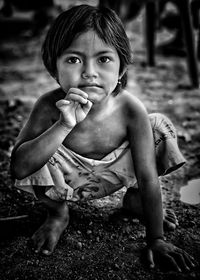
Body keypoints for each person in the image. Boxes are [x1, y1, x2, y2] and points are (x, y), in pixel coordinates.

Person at [10, 4, 195, 272]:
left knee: (158, 127)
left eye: (104, 59)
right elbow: (19, 167)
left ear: (121, 69)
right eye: (73, 59)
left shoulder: (130, 110)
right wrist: (63, 126)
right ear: (54, 69)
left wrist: (156, 239)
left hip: (117, 173)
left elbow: (147, 176)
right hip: (68, 181)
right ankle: (58, 214)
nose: (89, 72)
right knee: (37, 148)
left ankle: (134, 200)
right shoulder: (49, 107)